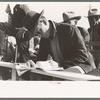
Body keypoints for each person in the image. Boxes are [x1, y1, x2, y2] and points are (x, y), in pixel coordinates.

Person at [18, 10, 96, 80]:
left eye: (39, 31)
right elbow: (41, 58)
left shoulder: (69, 29)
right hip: (61, 68)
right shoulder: (44, 38)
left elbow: (82, 55)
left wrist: (59, 63)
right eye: (36, 34)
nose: (39, 36)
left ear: (44, 21)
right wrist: (32, 63)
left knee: (60, 78)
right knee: (34, 75)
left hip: (83, 65)